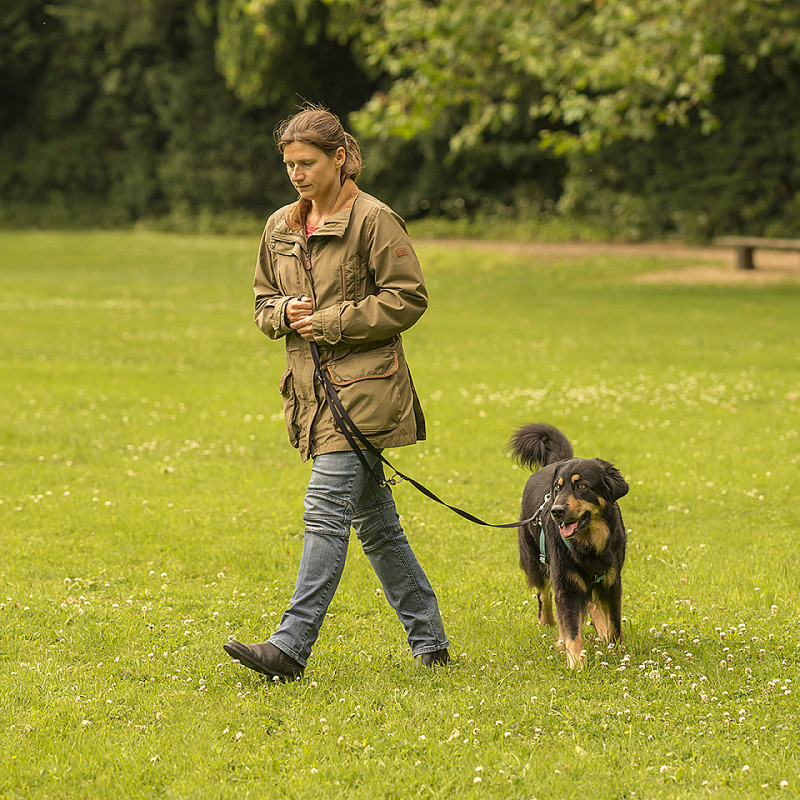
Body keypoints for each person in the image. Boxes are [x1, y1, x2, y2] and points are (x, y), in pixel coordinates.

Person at [223, 104, 450, 682]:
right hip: (309, 392)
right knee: (376, 524)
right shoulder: (279, 226)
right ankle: (430, 641)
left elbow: (407, 297)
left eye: (308, 162)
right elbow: (261, 304)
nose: (297, 174)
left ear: (340, 158)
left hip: (366, 393)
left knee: (325, 513)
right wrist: (284, 313)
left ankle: (289, 647)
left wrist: (328, 320)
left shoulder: (374, 220)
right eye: (289, 164)